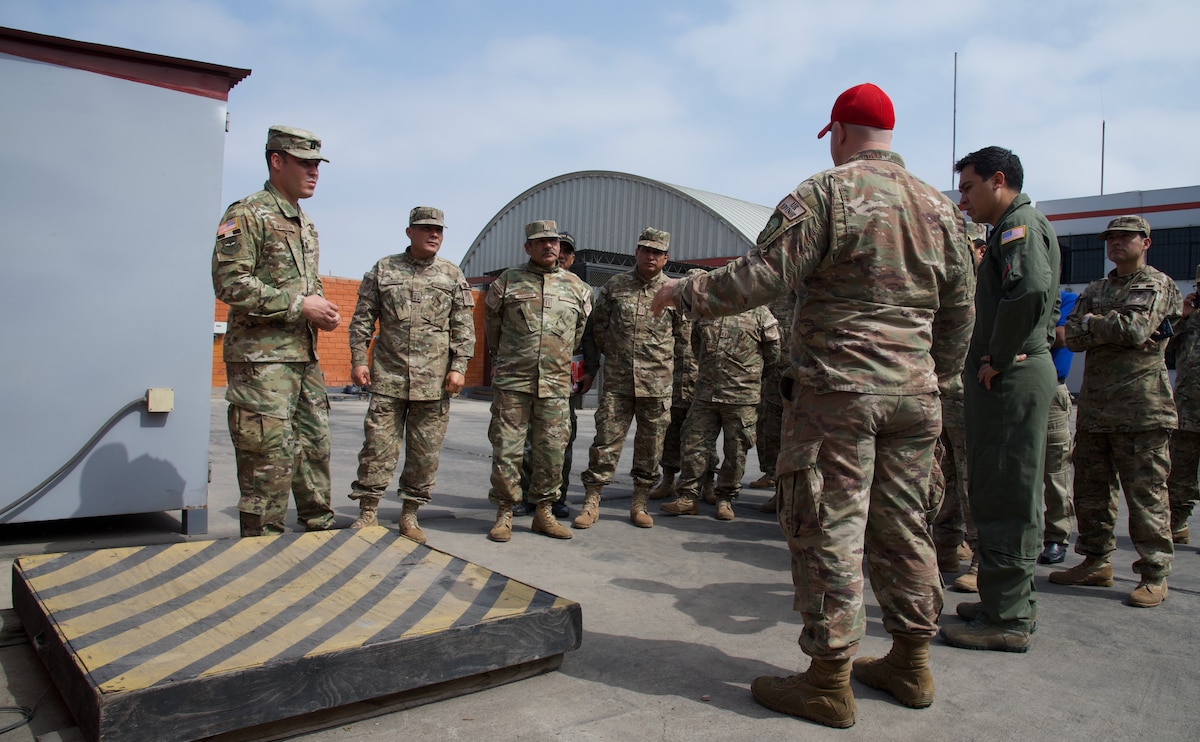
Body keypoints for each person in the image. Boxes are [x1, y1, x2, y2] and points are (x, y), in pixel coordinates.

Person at [652, 82, 975, 728]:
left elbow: (760, 278)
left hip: (840, 395)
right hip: (914, 399)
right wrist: (930, 376)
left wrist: (682, 293)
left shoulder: (828, 194)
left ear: (841, 133)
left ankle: (829, 681)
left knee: (829, 524)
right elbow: (962, 310)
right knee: (905, 525)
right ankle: (912, 665)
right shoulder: (943, 209)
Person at [942, 146, 1059, 653]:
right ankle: (1002, 601)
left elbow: (1029, 290)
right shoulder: (1010, 228)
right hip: (1006, 377)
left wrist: (998, 354)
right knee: (995, 489)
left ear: (997, 180)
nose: (963, 199)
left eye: (968, 188)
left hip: (1011, 377)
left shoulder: (1020, 227)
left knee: (1008, 493)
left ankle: (1008, 620)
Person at [212, 125, 340, 537]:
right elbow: (230, 282)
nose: (314, 172)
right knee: (267, 455)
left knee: (312, 447)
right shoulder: (246, 213)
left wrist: (321, 308)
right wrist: (299, 305)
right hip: (261, 363)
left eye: (317, 164)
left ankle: (318, 526)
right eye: (305, 163)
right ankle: (262, 539)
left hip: (303, 358)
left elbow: (305, 284)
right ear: (276, 161)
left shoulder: (305, 224)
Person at [1051, 216, 1180, 607]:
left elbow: (1136, 330)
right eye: (1111, 238)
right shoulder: (1096, 288)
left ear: (1146, 243)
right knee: (1091, 491)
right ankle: (1095, 561)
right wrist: (1101, 326)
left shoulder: (1154, 283)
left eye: (1126, 237)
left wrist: (1094, 324)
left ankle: (1154, 572)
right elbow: (1070, 336)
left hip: (1142, 408)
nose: (1117, 243)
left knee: (1145, 493)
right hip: (1095, 410)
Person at [345, 206, 475, 542]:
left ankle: (410, 514)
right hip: (388, 378)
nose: (434, 235)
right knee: (377, 448)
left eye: (439, 230)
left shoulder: (452, 275)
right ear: (409, 232)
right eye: (426, 228)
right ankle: (367, 512)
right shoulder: (384, 269)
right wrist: (359, 359)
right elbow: (362, 319)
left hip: (433, 383)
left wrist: (459, 367)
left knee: (424, 453)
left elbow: (463, 327)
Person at [484, 220, 592, 542]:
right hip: (513, 382)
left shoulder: (578, 288)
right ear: (527, 247)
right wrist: (507, 360)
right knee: (507, 450)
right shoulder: (507, 282)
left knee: (552, 452)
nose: (549, 247)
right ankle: (505, 512)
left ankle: (544, 512)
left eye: (554, 242)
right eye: (541, 242)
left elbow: (577, 334)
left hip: (556, 386)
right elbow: (493, 329)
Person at [574, 228, 684, 529]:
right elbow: (597, 328)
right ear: (636, 252)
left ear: (665, 258)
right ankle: (591, 500)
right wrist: (604, 361)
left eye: (657, 252)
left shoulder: (675, 291)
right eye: (645, 250)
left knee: (651, 447)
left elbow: (683, 339)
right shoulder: (615, 286)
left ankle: (640, 502)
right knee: (605, 442)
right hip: (618, 383)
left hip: (656, 385)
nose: (650, 256)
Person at [658, 305, 779, 521]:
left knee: (736, 451)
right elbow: (697, 345)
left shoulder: (761, 314)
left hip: (741, 396)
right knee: (693, 444)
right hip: (705, 393)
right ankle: (688, 497)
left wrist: (749, 377)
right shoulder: (708, 311)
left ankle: (725, 499)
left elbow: (773, 355)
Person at [517, 231, 591, 519]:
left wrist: (590, 371)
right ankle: (526, 495)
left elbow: (589, 336)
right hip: (527, 375)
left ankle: (556, 496)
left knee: (561, 439)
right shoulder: (523, 282)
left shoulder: (581, 290)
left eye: (566, 251)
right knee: (526, 440)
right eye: (554, 247)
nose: (559, 254)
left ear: (572, 257)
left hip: (565, 377)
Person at [648, 269, 717, 503]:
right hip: (674, 383)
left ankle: (708, 484)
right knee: (670, 434)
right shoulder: (674, 310)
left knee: (703, 439)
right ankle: (667, 480)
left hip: (702, 386)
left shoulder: (714, 314)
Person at [1038, 287, 1079, 564]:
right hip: (1012, 390)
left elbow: (1063, 337)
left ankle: (1056, 537)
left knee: (1055, 470)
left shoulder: (1065, 299)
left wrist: (1018, 332)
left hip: (1052, 391)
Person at [748, 290, 795, 510]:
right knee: (771, 430)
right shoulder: (776, 298)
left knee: (799, 438)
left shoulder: (816, 294)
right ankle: (775, 480)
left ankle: (790, 494)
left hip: (805, 379)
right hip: (776, 376)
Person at [1167, 265, 1200, 546]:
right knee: (1180, 474)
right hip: (1188, 411)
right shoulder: (1188, 319)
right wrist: (1180, 315)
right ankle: (1177, 523)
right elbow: (1158, 346)